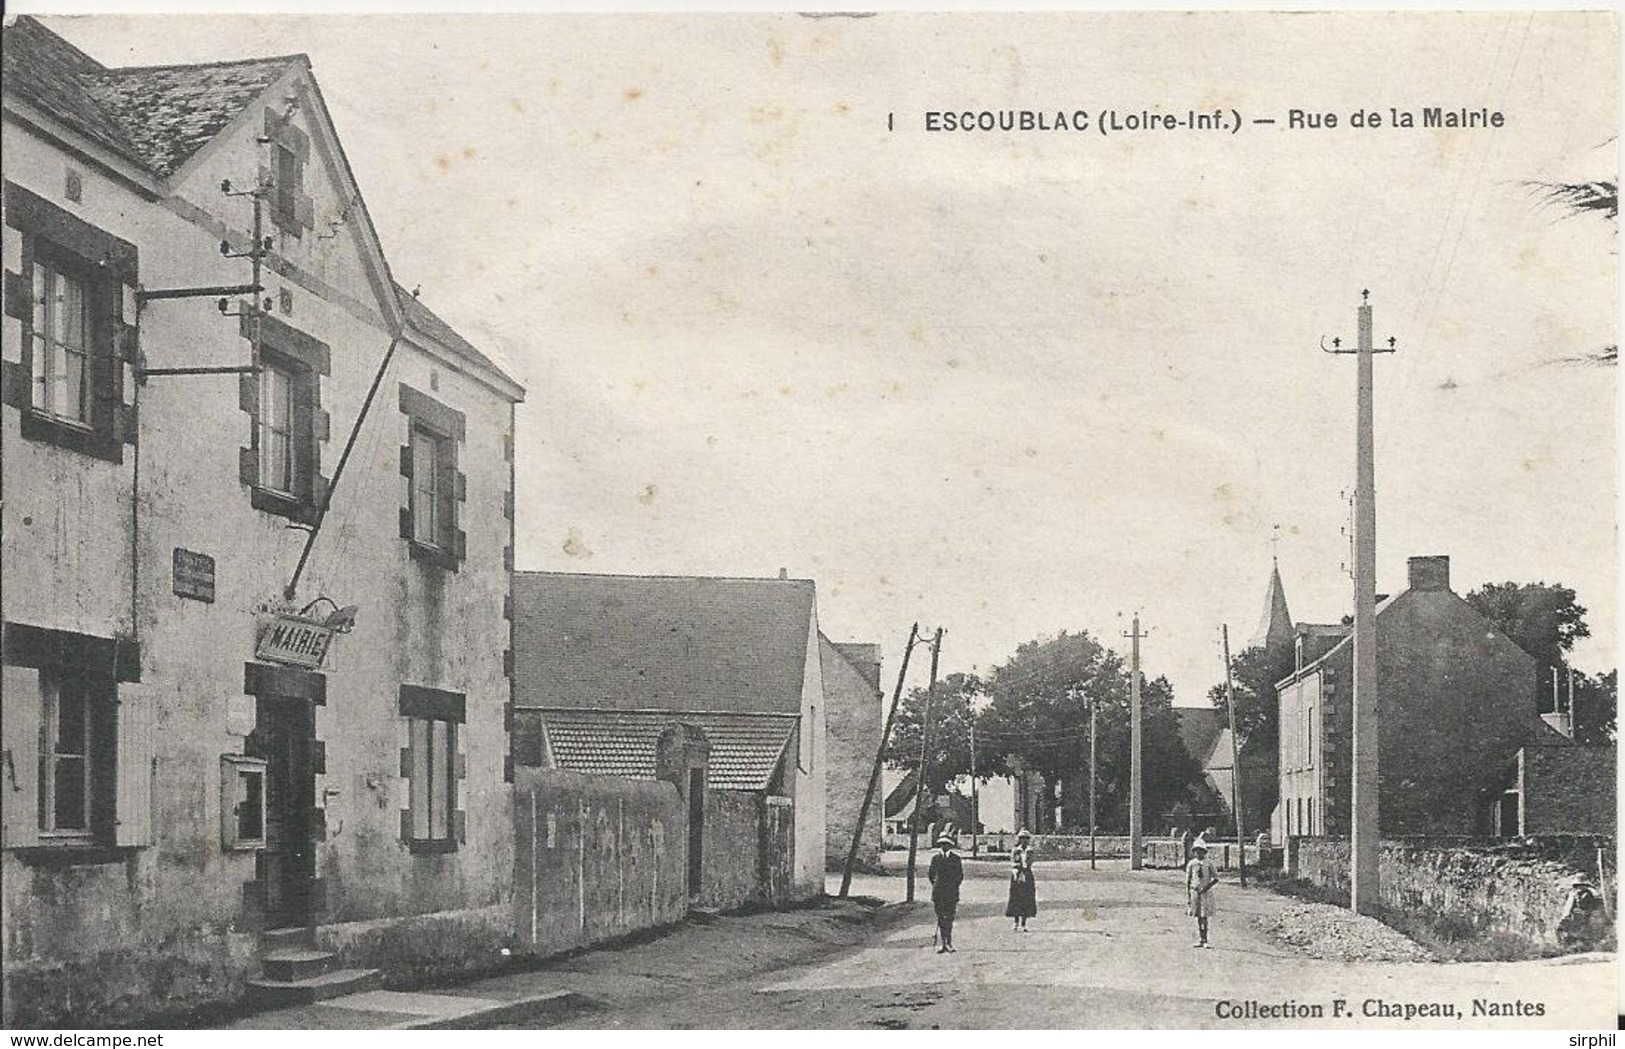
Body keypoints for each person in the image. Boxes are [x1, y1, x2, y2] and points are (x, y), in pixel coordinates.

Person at [927, 833, 964, 953]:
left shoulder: (956, 859)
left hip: (951, 894)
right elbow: (931, 875)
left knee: (949, 918)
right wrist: (937, 886)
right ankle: (943, 943)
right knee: (941, 918)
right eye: (942, 844)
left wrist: (951, 887)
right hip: (938, 894)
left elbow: (959, 876)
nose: (944, 846)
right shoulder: (935, 859)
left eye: (947, 844)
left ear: (950, 846)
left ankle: (949, 942)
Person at [1186, 837, 1219, 948]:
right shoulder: (1192, 864)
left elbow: (1215, 878)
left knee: (1204, 916)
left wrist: (1206, 887)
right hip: (1195, 892)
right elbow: (1188, 880)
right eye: (1196, 851)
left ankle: (1205, 939)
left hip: (1206, 893)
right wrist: (1189, 897)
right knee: (1198, 916)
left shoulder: (1208, 863)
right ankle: (1200, 938)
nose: (1198, 853)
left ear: (1204, 852)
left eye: (1201, 850)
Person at [1005, 828, 1038, 931]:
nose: (1024, 840)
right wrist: (1017, 868)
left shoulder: (1030, 851)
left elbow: (1030, 862)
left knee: (1026, 898)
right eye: (1022, 838)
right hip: (1016, 874)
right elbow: (1013, 861)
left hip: (1027, 875)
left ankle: (1024, 923)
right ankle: (1015, 922)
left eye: (1026, 838)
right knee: (1016, 897)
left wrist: (1024, 865)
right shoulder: (1016, 850)